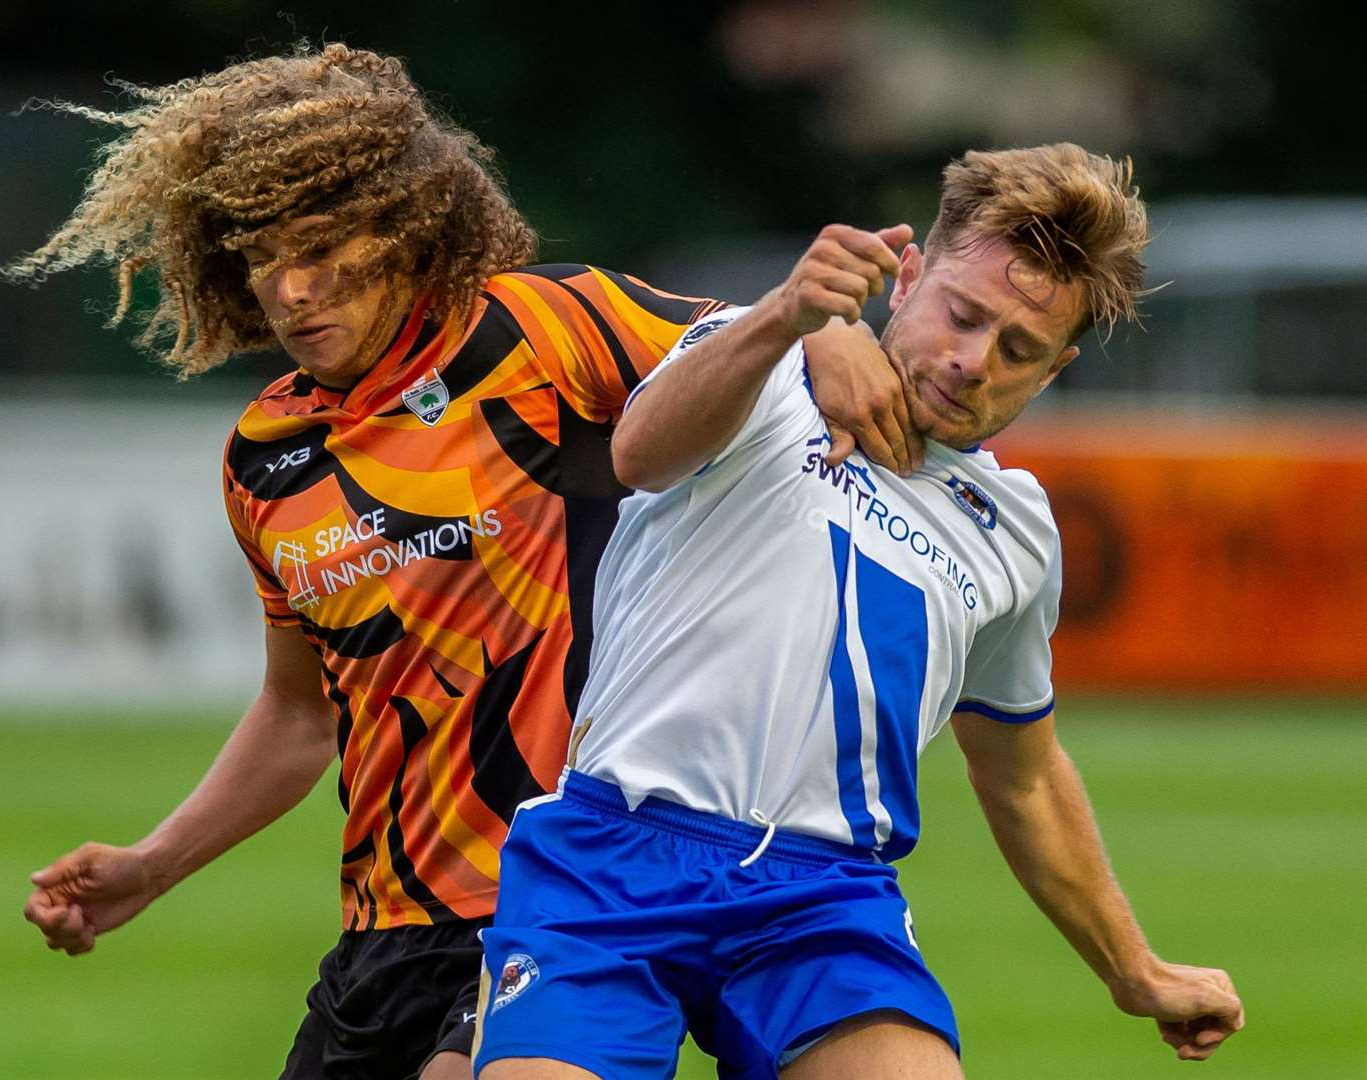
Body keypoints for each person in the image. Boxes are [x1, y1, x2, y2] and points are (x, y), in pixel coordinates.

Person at [2, 43, 918, 1080]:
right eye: (260, 256)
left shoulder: (537, 328)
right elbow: (301, 712)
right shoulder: (265, 458)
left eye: (322, 246)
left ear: (404, 226)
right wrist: (150, 867)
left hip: (554, 906)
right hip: (381, 933)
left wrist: (825, 329)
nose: (292, 291)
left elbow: (744, 341)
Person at [473, 144, 1245, 1080]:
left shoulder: (1018, 530)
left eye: (1019, 351)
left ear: (1054, 373)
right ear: (909, 272)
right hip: (609, 858)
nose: (971, 362)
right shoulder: (763, 366)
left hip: (825, 899)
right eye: (963, 316)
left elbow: (1025, 775)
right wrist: (787, 325)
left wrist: (1136, 969)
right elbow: (637, 453)